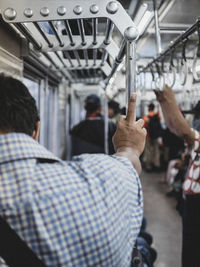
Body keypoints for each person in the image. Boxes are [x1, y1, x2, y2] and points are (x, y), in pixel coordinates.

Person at [0, 74, 146, 266]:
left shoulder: (76, 129)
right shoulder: (96, 184)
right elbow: (127, 165)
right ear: (36, 130)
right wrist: (128, 146)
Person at [155, 85, 200, 267]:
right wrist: (163, 101)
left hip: (198, 202)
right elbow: (174, 127)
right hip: (193, 200)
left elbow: (183, 131)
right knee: (190, 252)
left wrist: (170, 99)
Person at [143, 103, 162, 172]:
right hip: (156, 137)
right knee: (156, 151)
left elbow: (144, 127)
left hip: (148, 137)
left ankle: (149, 166)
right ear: (153, 108)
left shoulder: (146, 117)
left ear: (148, 108)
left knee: (148, 151)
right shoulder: (157, 116)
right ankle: (156, 165)